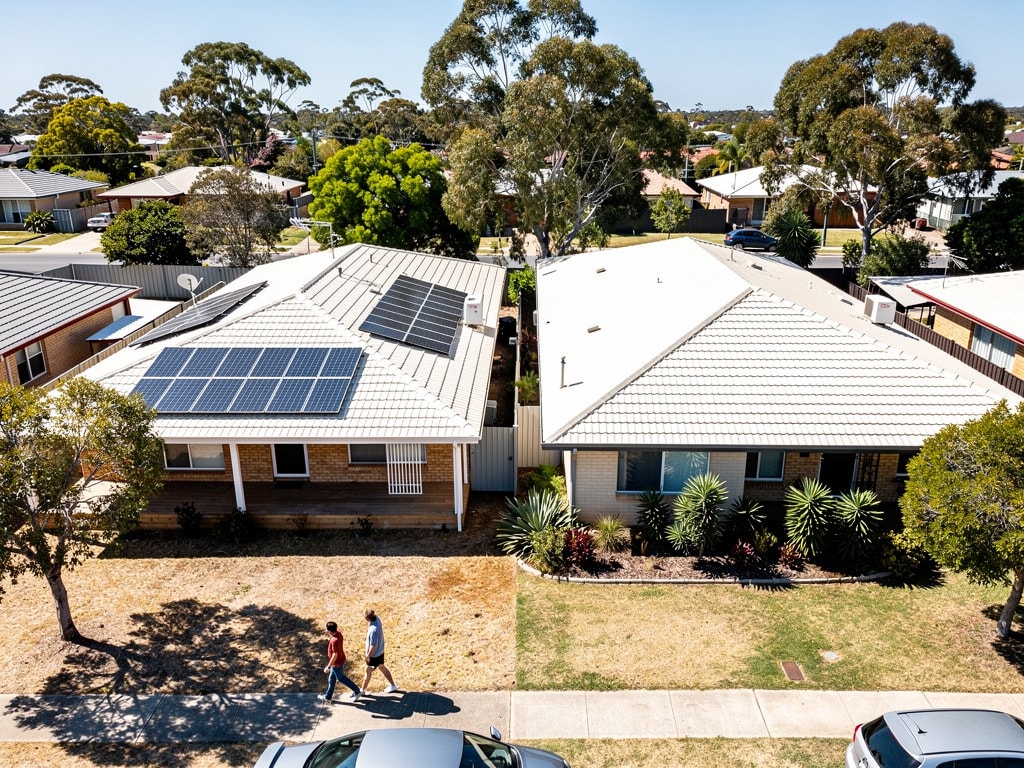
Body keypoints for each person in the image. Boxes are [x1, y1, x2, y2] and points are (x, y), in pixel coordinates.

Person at [318, 621, 362, 702]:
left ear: (329, 631)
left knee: (341, 678)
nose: (326, 630)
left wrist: (329, 666)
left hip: (336, 663)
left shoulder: (334, 640)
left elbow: (335, 654)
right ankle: (328, 697)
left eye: (326, 629)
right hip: (341, 660)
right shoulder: (339, 634)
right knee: (331, 679)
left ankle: (357, 691)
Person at [360, 608, 398, 694]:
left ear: (368, 618)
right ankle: (393, 685)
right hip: (380, 651)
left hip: (374, 655)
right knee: (382, 667)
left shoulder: (373, 630)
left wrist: (368, 656)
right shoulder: (377, 618)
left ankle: (362, 690)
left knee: (368, 671)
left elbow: (373, 645)